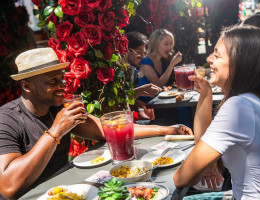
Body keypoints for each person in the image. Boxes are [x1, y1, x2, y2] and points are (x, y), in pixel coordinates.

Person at [0, 48, 193, 199]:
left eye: (62, 79)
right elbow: (9, 187)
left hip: (64, 190)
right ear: (27, 86)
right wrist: (57, 130)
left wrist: (165, 129)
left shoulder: (58, 109)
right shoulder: (7, 119)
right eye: (53, 81)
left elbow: (108, 129)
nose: (62, 86)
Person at [173, 25, 260, 199]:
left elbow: (181, 179)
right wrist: (206, 93)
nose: (209, 58)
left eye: (216, 55)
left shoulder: (239, 107)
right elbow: (203, 143)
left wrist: (197, 170)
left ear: (239, 63)